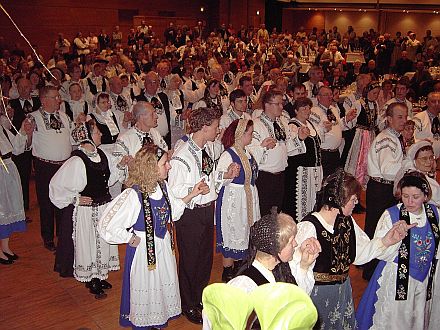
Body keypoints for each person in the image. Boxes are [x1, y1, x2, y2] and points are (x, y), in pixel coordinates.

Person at [98, 144, 207, 328]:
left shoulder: (162, 187)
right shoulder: (134, 195)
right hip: (144, 252)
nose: (169, 166)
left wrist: (193, 193)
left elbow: (173, 210)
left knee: (160, 287)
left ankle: (156, 321)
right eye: (165, 163)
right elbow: (106, 223)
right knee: (147, 288)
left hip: (163, 248)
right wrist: (128, 237)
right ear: (151, 166)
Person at [296, 169, 415, 329]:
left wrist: (387, 240)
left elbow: (361, 254)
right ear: (339, 200)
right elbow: (297, 271)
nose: (357, 203)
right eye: (353, 199)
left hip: (342, 291)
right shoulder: (309, 227)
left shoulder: (347, 222)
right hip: (317, 295)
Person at [168, 107, 237, 324]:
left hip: (206, 211)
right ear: (205, 127)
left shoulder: (203, 148)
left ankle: (198, 297)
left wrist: (224, 176)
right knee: (190, 260)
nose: (218, 131)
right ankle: (186, 303)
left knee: (204, 259)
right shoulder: (182, 155)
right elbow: (175, 189)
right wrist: (194, 190)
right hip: (191, 215)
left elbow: (207, 176)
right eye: (215, 127)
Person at [203, 208, 321, 329]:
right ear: (276, 249)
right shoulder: (245, 285)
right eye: (291, 241)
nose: (296, 244)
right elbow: (213, 318)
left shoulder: (280, 269)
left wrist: (304, 266)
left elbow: (296, 300)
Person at [49, 119, 121, 297]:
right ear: (87, 137)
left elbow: (108, 179)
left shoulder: (102, 155)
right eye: (97, 132)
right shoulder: (77, 160)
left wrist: (122, 166)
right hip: (87, 211)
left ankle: (100, 274)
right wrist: (76, 199)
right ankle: (92, 278)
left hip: (103, 207)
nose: (101, 134)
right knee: (88, 243)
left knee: (102, 242)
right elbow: (56, 186)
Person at [356, 171, 437, 330]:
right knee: (396, 320)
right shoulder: (391, 215)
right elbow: (380, 251)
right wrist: (394, 239)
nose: (410, 201)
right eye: (405, 196)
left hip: (425, 277)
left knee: (420, 317)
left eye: (415, 196)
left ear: (425, 195)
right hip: (397, 276)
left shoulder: (434, 214)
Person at [363, 102, 408, 280]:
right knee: (377, 228)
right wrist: (408, 163)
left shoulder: (394, 136)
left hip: (386, 188)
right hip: (382, 188)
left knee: (381, 227)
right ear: (389, 119)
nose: (404, 120)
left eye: (405, 116)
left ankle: (374, 267)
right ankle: (371, 270)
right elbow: (388, 169)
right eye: (399, 117)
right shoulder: (386, 139)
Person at [29, 86, 74, 251]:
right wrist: (27, 135)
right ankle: (48, 238)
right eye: (55, 97)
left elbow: (73, 140)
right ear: (43, 100)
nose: (58, 100)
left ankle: (63, 235)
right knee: (47, 203)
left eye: (58, 97)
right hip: (45, 166)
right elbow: (23, 146)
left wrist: (80, 126)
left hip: (64, 165)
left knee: (63, 202)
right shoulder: (32, 118)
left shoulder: (64, 117)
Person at [216, 119, 260, 282]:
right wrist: (229, 174)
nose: (252, 136)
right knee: (233, 234)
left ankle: (242, 268)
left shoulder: (247, 152)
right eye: (249, 133)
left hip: (248, 197)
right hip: (234, 200)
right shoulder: (229, 154)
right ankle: (228, 272)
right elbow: (218, 178)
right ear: (240, 134)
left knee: (246, 232)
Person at [0, 106, 33, 264]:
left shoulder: (3, 127)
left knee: (8, 208)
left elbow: (17, 148)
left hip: (8, 170)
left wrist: (23, 130)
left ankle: (5, 246)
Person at [282, 97, 322, 221]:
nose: (307, 110)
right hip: (300, 173)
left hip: (314, 172)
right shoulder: (292, 126)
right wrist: (299, 138)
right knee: (298, 203)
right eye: (303, 108)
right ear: (296, 110)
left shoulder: (310, 124)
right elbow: (290, 149)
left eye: (309, 107)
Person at [345, 81, 382, 188]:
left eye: (377, 93)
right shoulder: (358, 103)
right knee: (360, 159)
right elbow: (353, 121)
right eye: (374, 93)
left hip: (371, 134)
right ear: (368, 91)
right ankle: (356, 182)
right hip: (361, 135)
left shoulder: (375, 104)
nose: (376, 96)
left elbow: (376, 120)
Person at [394, 141, 440, 206]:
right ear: (414, 160)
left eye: (431, 157)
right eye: (424, 158)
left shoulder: (424, 174)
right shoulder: (416, 179)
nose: (429, 161)